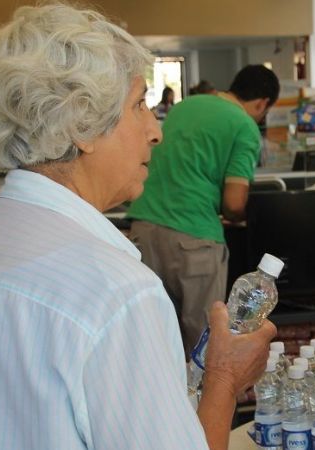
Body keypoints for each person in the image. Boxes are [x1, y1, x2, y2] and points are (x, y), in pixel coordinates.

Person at [0, 5, 275, 450]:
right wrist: (224, 377)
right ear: (81, 125)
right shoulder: (116, 294)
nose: (155, 130)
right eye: (139, 104)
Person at [127, 65, 279, 355]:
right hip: (194, 239)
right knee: (203, 344)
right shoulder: (244, 126)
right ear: (262, 103)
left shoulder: (186, 106)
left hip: (143, 229)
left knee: (155, 336)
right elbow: (234, 204)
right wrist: (242, 215)